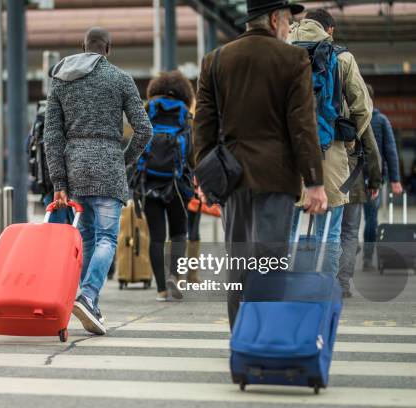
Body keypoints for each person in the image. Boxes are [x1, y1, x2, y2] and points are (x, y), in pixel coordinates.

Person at [193, 0, 327, 330]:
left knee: (238, 261)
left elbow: (203, 127)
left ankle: (241, 336)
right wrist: (314, 181)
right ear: (272, 19)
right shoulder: (293, 59)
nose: (289, 28)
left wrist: (205, 176)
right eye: (287, 21)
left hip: (231, 177)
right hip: (277, 178)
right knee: (270, 260)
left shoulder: (216, 60)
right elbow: (302, 125)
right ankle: (265, 335)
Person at [44, 27, 152, 335]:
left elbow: (51, 135)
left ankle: (89, 301)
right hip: (108, 165)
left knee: (88, 239)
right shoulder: (120, 79)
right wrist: (124, 159)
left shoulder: (61, 79)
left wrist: (58, 180)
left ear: (83, 47)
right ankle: (89, 295)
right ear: (108, 49)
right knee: (107, 238)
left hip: (75, 167)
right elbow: (144, 130)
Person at [289, 9, 372, 277]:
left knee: (285, 229)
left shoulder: (281, 50)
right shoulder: (342, 57)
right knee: (331, 231)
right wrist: (347, 144)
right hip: (331, 152)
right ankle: (326, 290)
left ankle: (280, 287)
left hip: (287, 156)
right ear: (330, 30)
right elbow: (362, 108)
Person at [137, 70, 195, 302]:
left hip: (149, 181)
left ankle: (161, 288)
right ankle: (175, 277)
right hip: (177, 182)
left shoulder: (148, 109)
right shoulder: (185, 113)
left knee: (157, 237)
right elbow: (191, 151)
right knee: (179, 232)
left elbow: (138, 142)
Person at [338, 125, 381, 297]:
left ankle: (325, 282)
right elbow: (371, 149)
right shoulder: (358, 109)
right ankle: (342, 285)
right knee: (349, 233)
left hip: (326, 177)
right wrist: (374, 181)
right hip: (352, 180)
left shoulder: (320, 101)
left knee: (326, 233)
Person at [363, 84, 403, 269]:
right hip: (375, 179)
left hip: (352, 179)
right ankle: (367, 258)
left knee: (350, 221)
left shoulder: (352, 118)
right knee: (371, 218)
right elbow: (391, 151)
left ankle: (352, 256)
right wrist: (395, 180)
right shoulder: (381, 120)